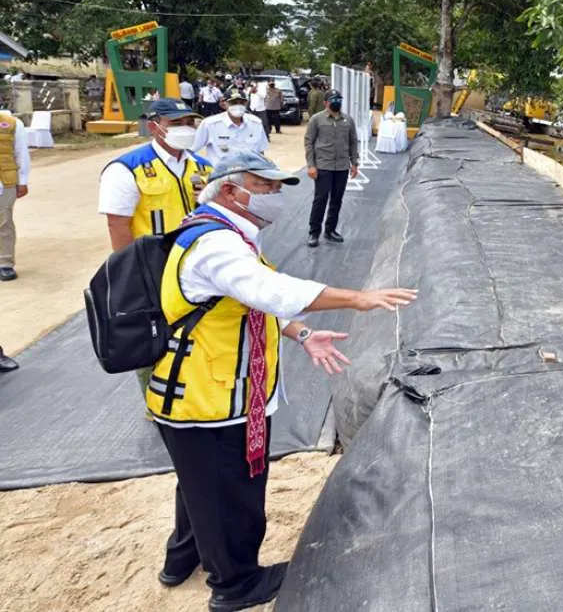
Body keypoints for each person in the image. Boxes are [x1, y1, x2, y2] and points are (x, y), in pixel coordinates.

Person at [146, 149, 417, 611]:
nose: (275, 196)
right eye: (266, 187)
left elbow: (249, 301)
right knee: (229, 488)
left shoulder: (223, 233)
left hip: (199, 389)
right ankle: (234, 584)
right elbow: (269, 291)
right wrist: (358, 298)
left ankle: (182, 559)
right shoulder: (217, 244)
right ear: (232, 190)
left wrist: (302, 332)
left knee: (199, 483)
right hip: (209, 394)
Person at [99, 98, 212, 394]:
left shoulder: (202, 167)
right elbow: (117, 224)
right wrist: (130, 274)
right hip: (151, 270)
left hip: (197, 265)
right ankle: (155, 397)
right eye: (176, 123)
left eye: (190, 122)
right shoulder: (127, 168)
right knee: (154, 335)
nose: (186, 129)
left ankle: (192, 392)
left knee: (198, 330)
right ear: (154, 127)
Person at [304, 90, 358, 248]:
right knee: (320, 200)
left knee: (336, 200)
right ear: (325, 102)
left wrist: (354, 163)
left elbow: (353, 142)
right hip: (323, 166)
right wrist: (311, 165)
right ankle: (314, 233)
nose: (336, 102)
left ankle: (330, 230)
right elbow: (309, 142)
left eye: (339, 99)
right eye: (333, 99)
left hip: (341, 166)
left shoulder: (348, 120)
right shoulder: (316, 119)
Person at [0, 105, 31, 282]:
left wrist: (23, 181)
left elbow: (21, 153)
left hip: (5, 182)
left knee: (3, 221)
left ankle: (5, 263)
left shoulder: (12, 124)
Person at [192, 91, 268, 162]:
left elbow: (260, 152)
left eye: (241, 102)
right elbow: (191, 149)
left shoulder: (256, 123)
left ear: (246, 103)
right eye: (233, 103)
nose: (238, 106)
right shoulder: (210, 124)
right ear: (224, 104)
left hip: (250, 173)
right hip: (221, 174)